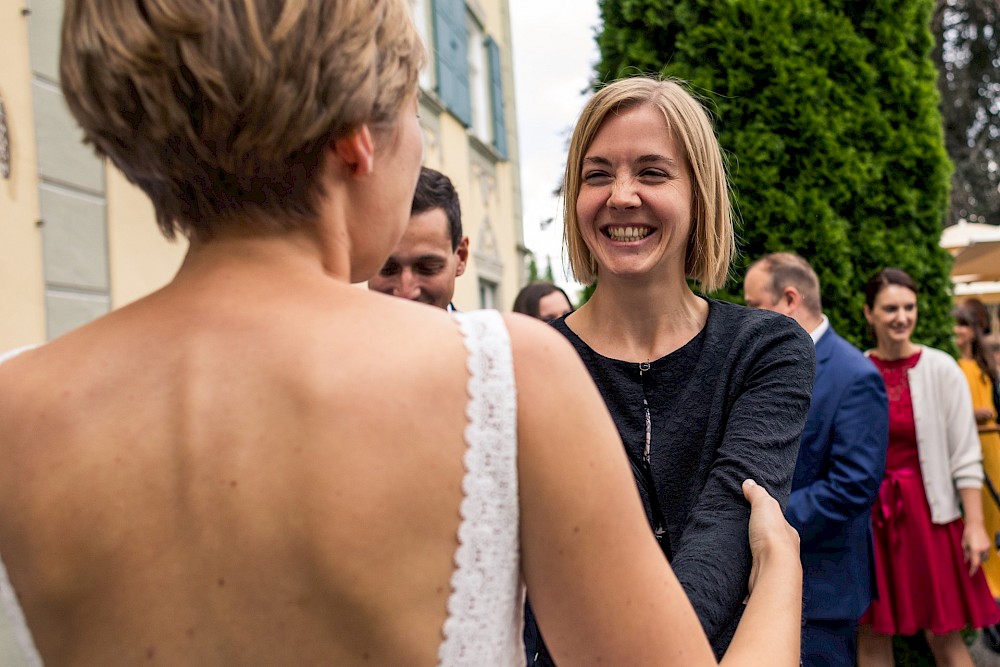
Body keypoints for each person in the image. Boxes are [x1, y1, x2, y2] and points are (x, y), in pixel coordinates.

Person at [0, 1, 803, 665]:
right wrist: (780, 576)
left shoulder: (18, 403)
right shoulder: (503, 371)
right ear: (358, 137)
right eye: (414, 108)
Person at [523, 75, 816, 665]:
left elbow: (729, 525)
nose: (621, 196)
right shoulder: (530, 359)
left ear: (699, 193)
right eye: (597, 174)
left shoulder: (765, 350)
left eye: (652, 173)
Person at [744, 252, 889, 667]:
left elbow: (853, 485)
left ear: (790, 299)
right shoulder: (765, 365)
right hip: (766, 582)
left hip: (822, 587)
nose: (747, 316)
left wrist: (763, 516)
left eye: (754, 305)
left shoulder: (854, 375)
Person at [857, 268, 1000, 667]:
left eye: (909, 306)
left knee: (945, 637)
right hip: (873, 521)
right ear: (869, 313)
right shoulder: (857, 371)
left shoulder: (942, 369)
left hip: (930, 517)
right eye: (890, 308)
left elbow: (965, 455)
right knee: (870, 635)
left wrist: (973, 525)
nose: (901, 316)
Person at [368, 166, 468, 310]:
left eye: (427, 268)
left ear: (461, 256)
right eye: (387, 268)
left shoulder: (492, 332)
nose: (406, 292)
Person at [954, 299, 1000, 598]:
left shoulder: (984, 366)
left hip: (993, 443)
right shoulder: (954, 367)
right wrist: (972, 413)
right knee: (982, 511)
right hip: (975, 446)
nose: (956, 331)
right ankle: (989, 587)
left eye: (961, 325)